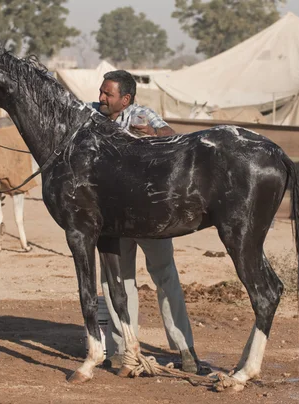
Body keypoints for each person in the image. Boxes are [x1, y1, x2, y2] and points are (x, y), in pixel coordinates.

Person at [90, 70, 199, 373]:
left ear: (125, 100)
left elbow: (173, 137)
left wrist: (151, 137)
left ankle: (184, 351)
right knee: (116, 281)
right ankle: (120, 349)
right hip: (113, 216)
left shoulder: (141, 115)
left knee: (165, 276)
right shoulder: (93, 115)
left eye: (107, 94)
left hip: (148, 213)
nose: (101, 98)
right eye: (100, 91)